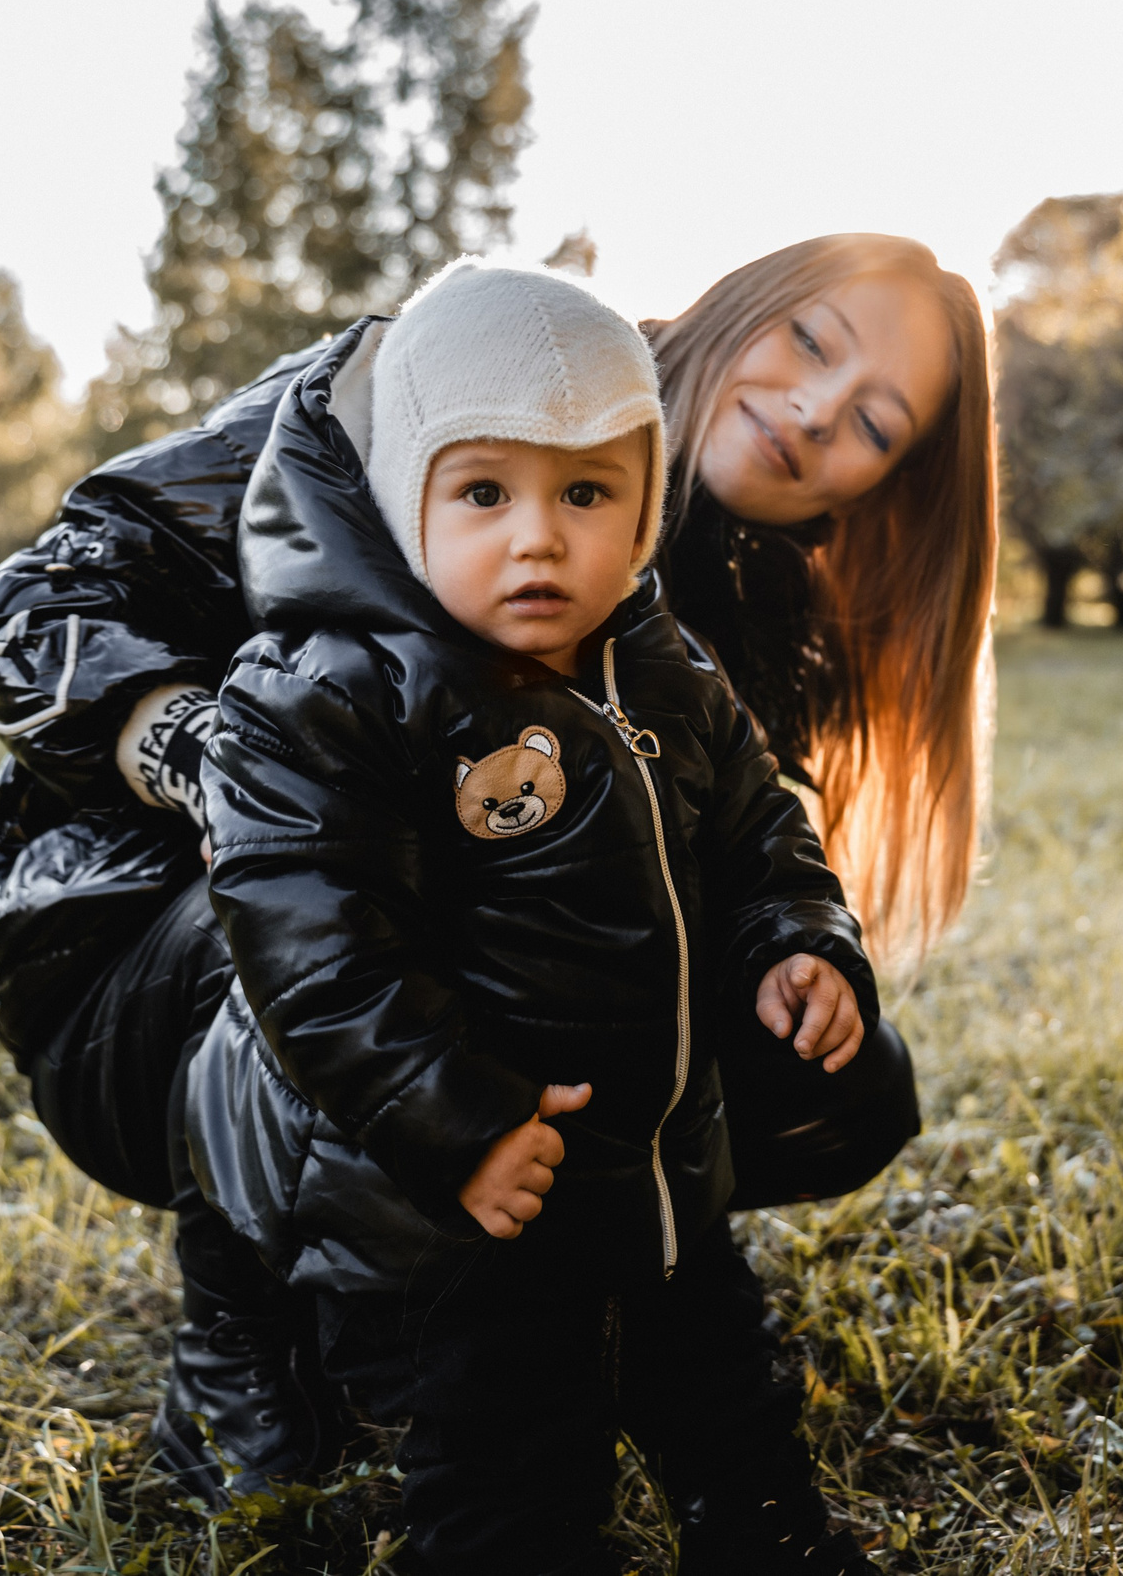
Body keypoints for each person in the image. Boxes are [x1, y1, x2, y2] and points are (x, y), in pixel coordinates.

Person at [0, 234, 995, 1498]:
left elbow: (739, 853)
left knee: (838, 1077)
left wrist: (788, 947)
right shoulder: (431, 380)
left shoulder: (748, 611)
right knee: (332, 891)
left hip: (457, 964)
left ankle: (593, 1278)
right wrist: (208, 759)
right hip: (149, 949)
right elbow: (29, 602)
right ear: (736, 306)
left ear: (869, 489)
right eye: (813, 342)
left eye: (873, 424)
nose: (815, 411)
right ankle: (246, 1325)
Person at [188, 259, 878, 1572]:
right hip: (482, 1204)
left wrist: (798, 936)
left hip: (667, 1171)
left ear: (645, 503)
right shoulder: (335, 690)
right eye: (486, 491)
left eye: (587, 491)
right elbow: (316, 952)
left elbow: (756, 829)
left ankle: (766, 1529)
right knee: (512, 1460)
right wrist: (456, 1119)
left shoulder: (663, 664)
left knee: (734, 1403)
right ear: (410, 496)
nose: (539, 535)